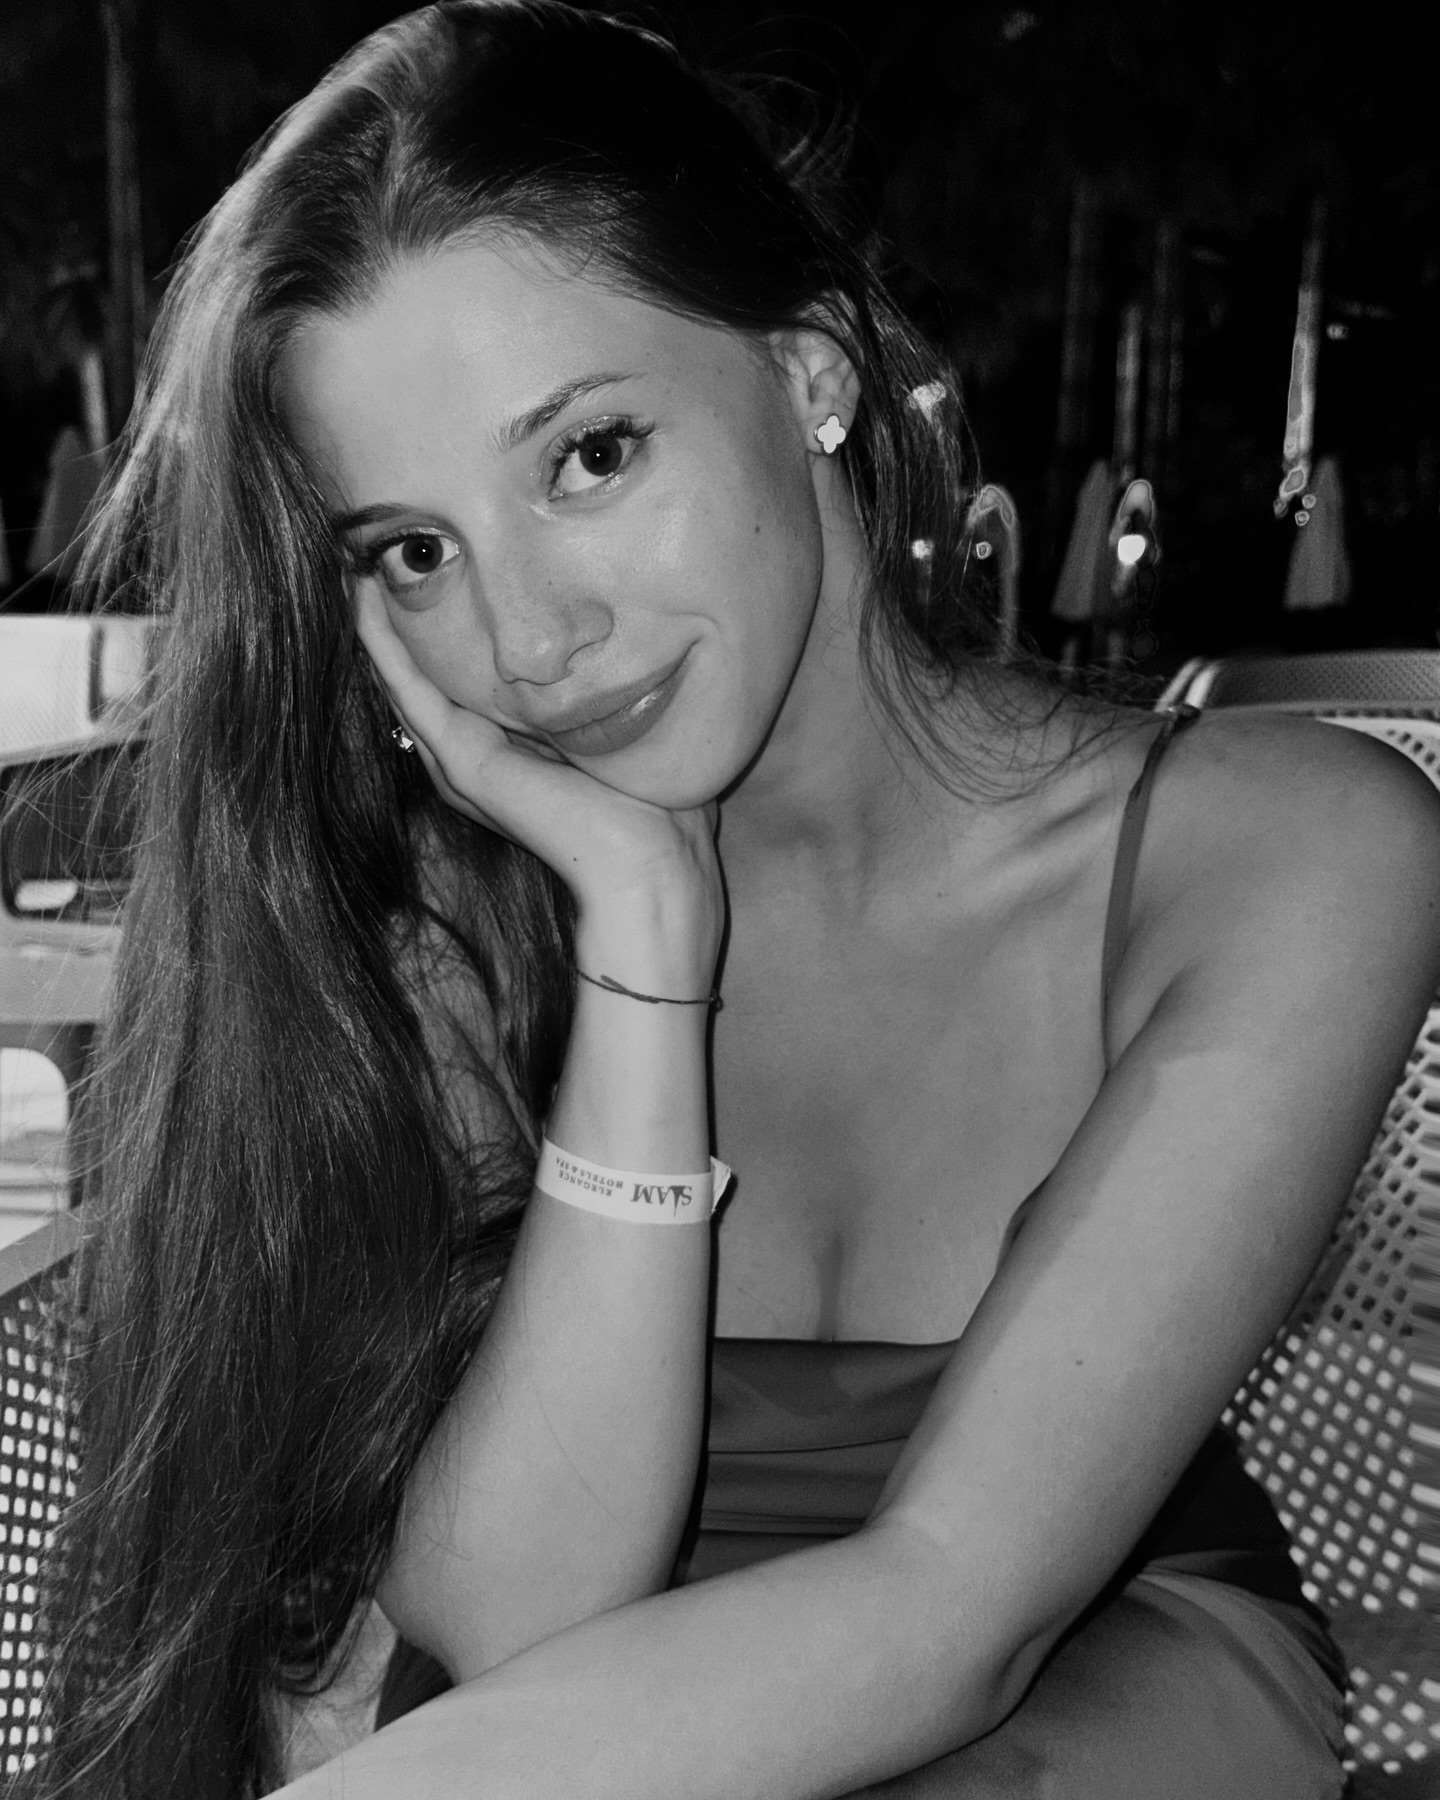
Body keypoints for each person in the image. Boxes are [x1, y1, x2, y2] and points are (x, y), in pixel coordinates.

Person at [29, 3, 1440, 1796]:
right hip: (573, 1707)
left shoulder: (1288, 856)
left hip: (1089, 1677)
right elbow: (518, 1621)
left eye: (590, 456)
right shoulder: (461, 921)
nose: (530, 639)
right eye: (417, 551)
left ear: (810, 373)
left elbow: (961, 1608)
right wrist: (643, 952)